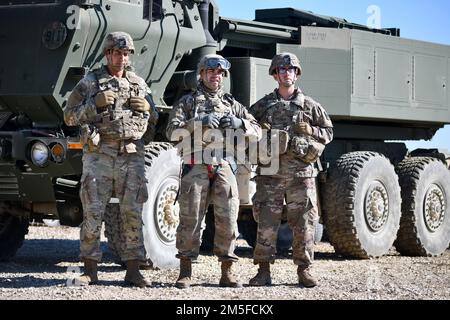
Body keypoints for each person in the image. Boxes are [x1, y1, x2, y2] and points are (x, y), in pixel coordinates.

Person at [64, 32, 158, 287]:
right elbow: (69, 117)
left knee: (132, 213)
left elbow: (154, 122)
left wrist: (150, 110)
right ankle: (90, 270)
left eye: (126, 54)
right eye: (117, 53)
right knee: (94, 211)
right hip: (100, 155)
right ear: (107, 54)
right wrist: (94, 104)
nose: (122, 58)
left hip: (131, 155)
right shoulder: (90, 83)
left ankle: (133, 270)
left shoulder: (139, 83)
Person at [166, 54, 261, 289]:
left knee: (228, 219)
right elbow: (171, 132)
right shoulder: (188, 102)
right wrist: (199, 122)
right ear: (201, 74)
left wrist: (241, 125)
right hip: (195, 164)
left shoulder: (233, 105)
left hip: (225, 165)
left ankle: (227, 272)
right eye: (210, 72)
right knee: (190, 219)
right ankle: (185, 271)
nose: (215, 76)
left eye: (219, 73)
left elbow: (258, 131)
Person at [248, 52, 333, 287]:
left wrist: (311, 131)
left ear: (297, 74)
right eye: (282, 70)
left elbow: (328, 133)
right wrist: (258, 130)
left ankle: (304, 270)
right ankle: (263, 271)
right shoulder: (263, 105)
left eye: (291, 70)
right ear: (275, 75)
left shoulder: (310, 106)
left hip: (301, 173)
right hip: (270, 172)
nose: (287, 73)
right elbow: (246, 129)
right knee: (266, 221)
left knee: (304, 221)